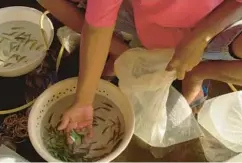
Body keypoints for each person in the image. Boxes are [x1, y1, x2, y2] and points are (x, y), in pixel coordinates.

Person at [41, 0, 242, 142]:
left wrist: (203, 36)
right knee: (149, 44)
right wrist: (84, 100)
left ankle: (198, 72)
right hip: (155, 27)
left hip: (222, 24)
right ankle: (132, 53)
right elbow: (97, 28)